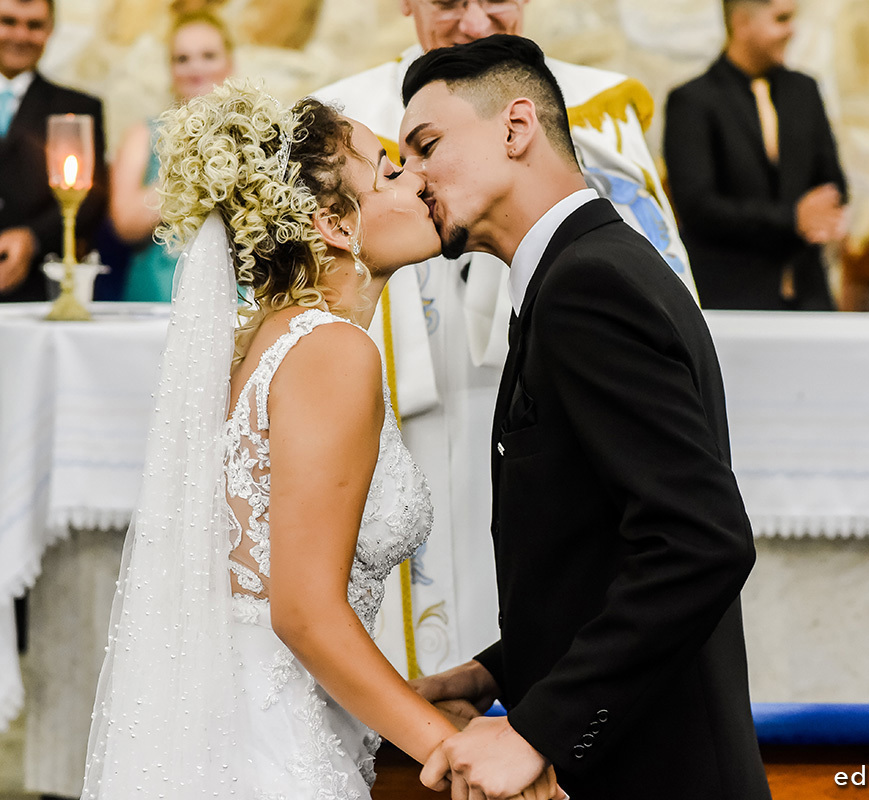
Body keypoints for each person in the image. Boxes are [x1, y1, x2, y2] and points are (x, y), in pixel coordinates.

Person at [82, 81, 561, 800]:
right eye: (391, 171)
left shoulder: (267, 342)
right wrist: (456, 750)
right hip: (271, 749)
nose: (420, 179)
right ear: (334, 223)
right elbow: (303, 611)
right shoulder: (332, 351)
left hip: (243, 723)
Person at [398, 36, 770, 800]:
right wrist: (498, 671)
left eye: (426, 147)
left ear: (516, 127)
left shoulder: (588, 285)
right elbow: (600, 548)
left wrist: (538, 729)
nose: (412, 180)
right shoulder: (580, 271)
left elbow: (700, 542)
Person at [313, 0, 695, 679]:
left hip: (554, 414)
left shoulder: (593, 113)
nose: (474, 22)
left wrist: (542, 721)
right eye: (448, 2)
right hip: (405, 426)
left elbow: (682, 524)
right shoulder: (341, 122)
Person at [664, 0, 848, 310]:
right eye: (781, 19)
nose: (792, 31)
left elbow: (833, 181)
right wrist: (792, 218)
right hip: (730, 293)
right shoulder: (693, 101)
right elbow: (697, 207)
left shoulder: (804, 91)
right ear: (742, 23)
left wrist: (826, 212)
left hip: (808, 294)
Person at [109, 9, 234, 302]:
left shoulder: (257, 134)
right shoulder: (144, 133)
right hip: (161, 291)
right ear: (171, 69)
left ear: (229, 62)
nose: (195, 68)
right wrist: (192, 169)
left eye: (208, 55)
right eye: (182, 59)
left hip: (235, 291)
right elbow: (125, 224)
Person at [0, 0, 106, 302]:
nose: (21, 35)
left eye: (34, 25)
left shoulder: (78, 107)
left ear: (49, 30)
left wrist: (32, 238)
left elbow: (91, 197)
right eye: (8, 21)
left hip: (37, 289)